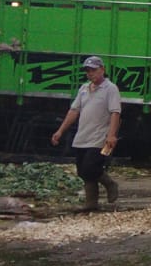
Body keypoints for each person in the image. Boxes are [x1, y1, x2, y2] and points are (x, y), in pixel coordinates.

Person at [50, 55, 121, 211]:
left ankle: (109, 183)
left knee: (91, 167)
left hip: (100, 138)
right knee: (82, 170)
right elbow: (74, 111)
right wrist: (60, 131)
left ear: (102, 70)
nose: (91, 74)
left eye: (94, 70)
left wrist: (111, 135)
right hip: (83, 136)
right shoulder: (83, 89)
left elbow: (115, 113)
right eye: (88, 71)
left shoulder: (110, 89)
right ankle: (91, 204)